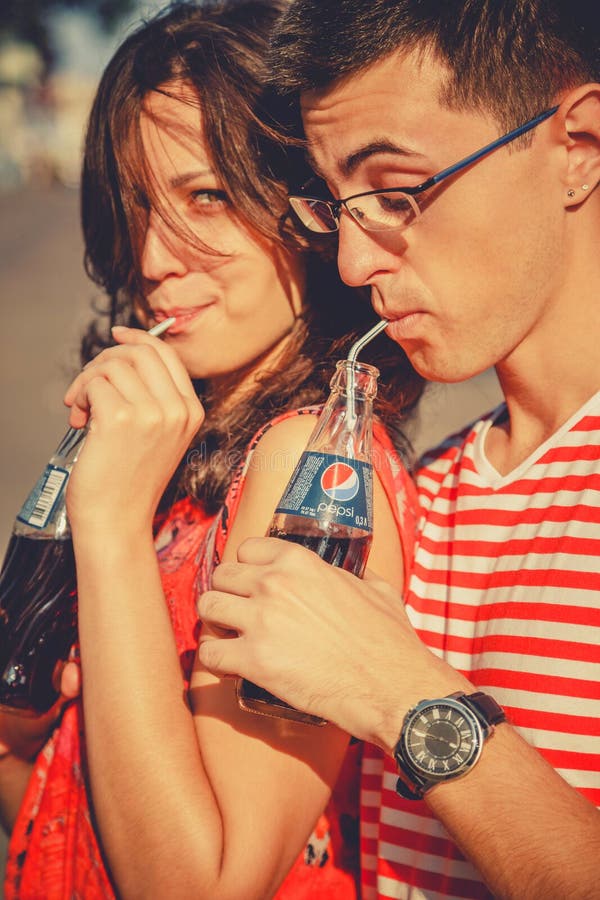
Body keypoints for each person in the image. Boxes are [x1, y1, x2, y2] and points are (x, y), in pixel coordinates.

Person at [0, 1, 424, 897]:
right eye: (136, 204)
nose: (155, 257)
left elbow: (200, 883)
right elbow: (59, 805)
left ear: (309, 208)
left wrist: (108, 523)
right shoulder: (169, 450)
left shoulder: (312, 465)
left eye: (208, 197)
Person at [197, 1, 600, 897]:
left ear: (575, 147)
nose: (349, 262)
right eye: (336, 205)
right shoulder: (420, 491)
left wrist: (405, 697)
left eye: (396, 192)